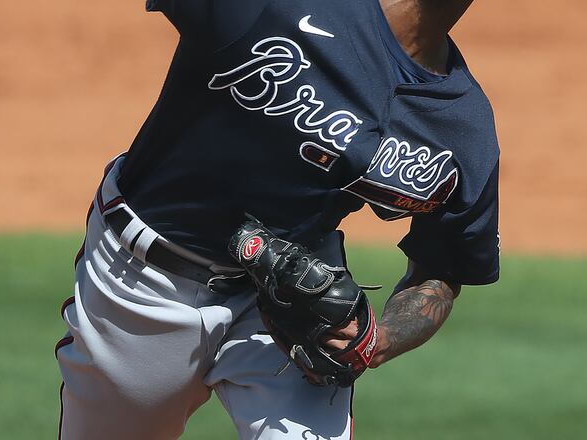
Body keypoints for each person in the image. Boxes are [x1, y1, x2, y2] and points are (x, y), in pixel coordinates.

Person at [54, 0, 500, 438]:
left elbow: (442, 270)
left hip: (286, 309)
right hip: (142, 286)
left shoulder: (462, 126)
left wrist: (377, 341)